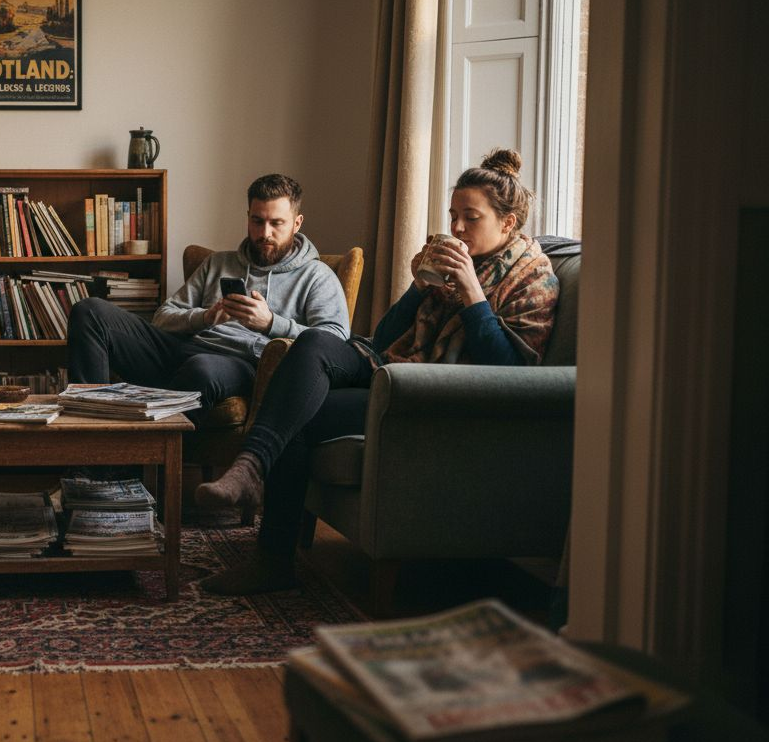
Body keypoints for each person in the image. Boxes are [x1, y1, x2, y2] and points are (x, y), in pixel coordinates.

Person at [196, 149, 560, 595]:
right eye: (453, 215)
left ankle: (269, 550)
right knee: (312, 342)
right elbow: (384, 337)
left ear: (507, 223)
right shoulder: (454, 265)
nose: (457, 228)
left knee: (299, 410)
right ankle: (251, 471)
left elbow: (508, 370)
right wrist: (416, 290)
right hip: (391, 368)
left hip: (431, 393)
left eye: (471, 217)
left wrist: (470, 293)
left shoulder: (534, 279)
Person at [67, 174, 351, 426]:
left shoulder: (317, 276)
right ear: (248, 216)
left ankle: (134, 464)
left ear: (297, 223)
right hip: (183, 347)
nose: (265, 233)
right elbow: (163, 317)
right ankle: (91, 439)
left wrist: (270, 323)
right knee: (89, 311)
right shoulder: (217, 264)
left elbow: (335, 341)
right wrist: (204, 317)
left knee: (201, 369)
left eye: (277, 223)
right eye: (257, 221)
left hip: (243, 364)